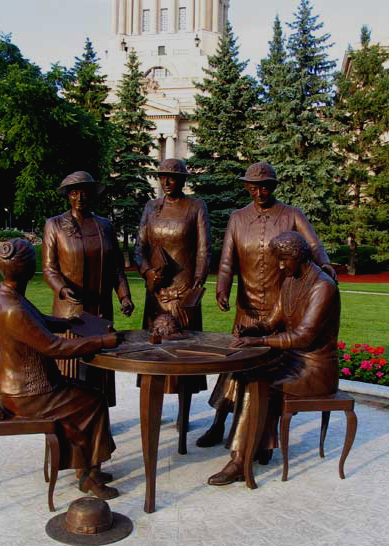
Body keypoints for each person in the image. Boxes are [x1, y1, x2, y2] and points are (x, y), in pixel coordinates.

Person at [196, 162, 336, 449]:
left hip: (279, 305)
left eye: (265, 186)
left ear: (273, 187)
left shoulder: (291, 215)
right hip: (247, 309)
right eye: (253, 186)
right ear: (246, 187)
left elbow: (313, 246)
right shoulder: (237, 218)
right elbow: (226, 261)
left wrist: (326, 265)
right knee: (235, 366)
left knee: (265, 372)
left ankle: (258, 439)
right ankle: (219, 423)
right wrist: (222, 288)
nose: (259, 192)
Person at [0, 238, 121, 499]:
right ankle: (90, 476)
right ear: (30, 269)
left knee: (87, 396)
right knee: (94, 402)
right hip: (29, 394)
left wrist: (67, 322)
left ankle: (85, 465)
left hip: (22, 387)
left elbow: (38, 321)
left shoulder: (5, 295)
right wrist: (101, 341)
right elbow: (54, 348)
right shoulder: (14, 308)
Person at [208, 231, 340, 485]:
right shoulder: (291, 279)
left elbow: (304, 337)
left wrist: (259, 341)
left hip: (314, 369)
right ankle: (257, 443)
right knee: (240, 371)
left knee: (255, 386)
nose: (279, 266)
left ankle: (239, 461)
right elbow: (272, 321)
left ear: (298, 256)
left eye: (283, 260)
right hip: (290, 360)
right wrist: (252, 329)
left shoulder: (323, 287)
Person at [43, 170, 134, 404]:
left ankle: (100, 421)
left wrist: (124, 296)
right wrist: (62, 289)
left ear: (92, 195)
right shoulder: (55, 225)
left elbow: (116, 269)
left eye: (84, 192)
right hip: (71, 313)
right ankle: (70, 421)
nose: (80, 197)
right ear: (68, 196)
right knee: (71, 369)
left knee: (99, 370)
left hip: (100, 311)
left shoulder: (104, 226)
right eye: (74, 193)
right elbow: (49, 268)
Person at [134, 158, 211, 402]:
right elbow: (139, 248)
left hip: (183, 293)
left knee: (184, 355)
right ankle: (151, 408)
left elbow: (203, 250)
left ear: (183, 180)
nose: (167, 182)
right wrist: (148, 273)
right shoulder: (151, 207)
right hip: (156, 292)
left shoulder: (196, 206)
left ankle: (184, 412)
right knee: (152, 355)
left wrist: (197, 282)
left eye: (173, 177)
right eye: (163, 176)